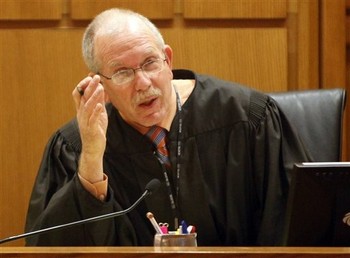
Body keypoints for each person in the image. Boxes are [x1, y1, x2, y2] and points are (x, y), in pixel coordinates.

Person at [25, 8, 310, 246]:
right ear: (101, 84)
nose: (144, 83)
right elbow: (49, 249)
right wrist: (91, 162)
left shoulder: (248, 119)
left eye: (150, 63)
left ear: (168, 60)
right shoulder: (75, 147)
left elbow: (296, 227)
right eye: (123, 72)